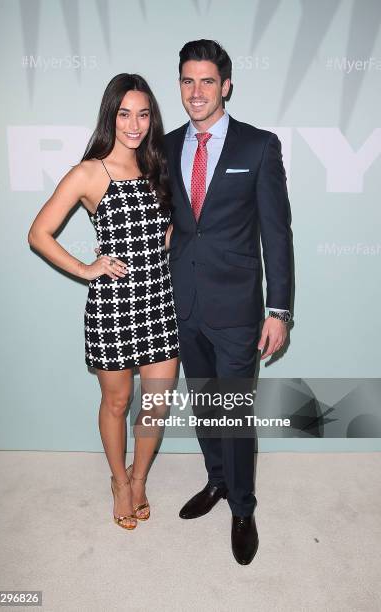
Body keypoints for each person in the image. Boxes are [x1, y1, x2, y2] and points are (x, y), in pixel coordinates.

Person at [28, 73, 179, 531]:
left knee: (154, 403)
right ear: (110, 116)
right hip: (114, 307)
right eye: (124, 113)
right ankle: (118, 481)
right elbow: (39, 234)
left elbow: (169, 230)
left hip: (159, 301)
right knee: (116, 403)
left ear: (152, 119)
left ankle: (140, 478)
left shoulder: (158, 165)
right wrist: (86, 268)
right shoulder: (90, 172)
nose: (134, 123)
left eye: (143, 113)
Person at [165, 40, 293, 564]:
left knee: (235, 414)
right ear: (181, 85)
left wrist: (279, 311)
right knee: (204, 404)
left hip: (239, 310)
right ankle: (216, 481)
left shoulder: (258, 146)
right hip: (182, 303)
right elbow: (169, 221)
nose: (197, 92)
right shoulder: (166, 144)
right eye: (188, 81)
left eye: (208, 82)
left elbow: (276, 233)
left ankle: (243, 507)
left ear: (227, 86)